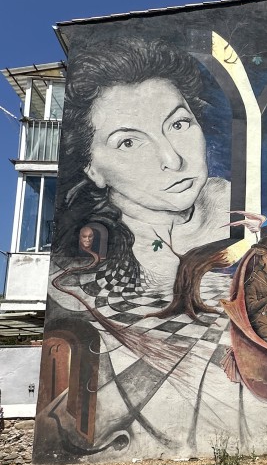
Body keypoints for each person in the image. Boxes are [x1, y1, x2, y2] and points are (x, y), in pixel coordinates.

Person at [54, 37, 230, 296]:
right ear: (92, 169)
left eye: (178, 124)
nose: (173, 160)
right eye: (128, 142)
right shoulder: (101, 247)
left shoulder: (225, 200)